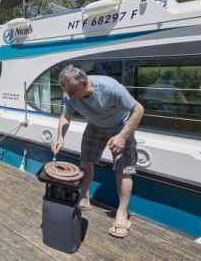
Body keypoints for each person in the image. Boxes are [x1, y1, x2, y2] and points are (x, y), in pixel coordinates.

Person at [51, 65, 144, 238]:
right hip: (95, 125)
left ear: (85, 83)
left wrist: (122, 137)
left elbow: (138, 109)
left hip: (121, 127)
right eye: (66, 92)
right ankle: (84, 198)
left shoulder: (111, 88)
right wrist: (60, 137)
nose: (68, 96)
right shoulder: (69, 93)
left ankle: (122, 213)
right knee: (86, 161)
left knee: (123, 171)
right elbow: (65, 116)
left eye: (71, 92)